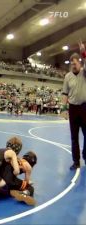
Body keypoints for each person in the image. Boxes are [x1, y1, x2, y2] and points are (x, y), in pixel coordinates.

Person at [62, 40, 86, 170]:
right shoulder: (67, 76)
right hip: (73, 109)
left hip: (84, 108)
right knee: (74, 137)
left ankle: (85, 155)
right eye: (72, 64)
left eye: (75, 64)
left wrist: (83, 52)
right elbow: (65, 93)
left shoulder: (85, 72)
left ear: (80, 63)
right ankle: (76, 161)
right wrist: (64, 108)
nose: (73, 66)